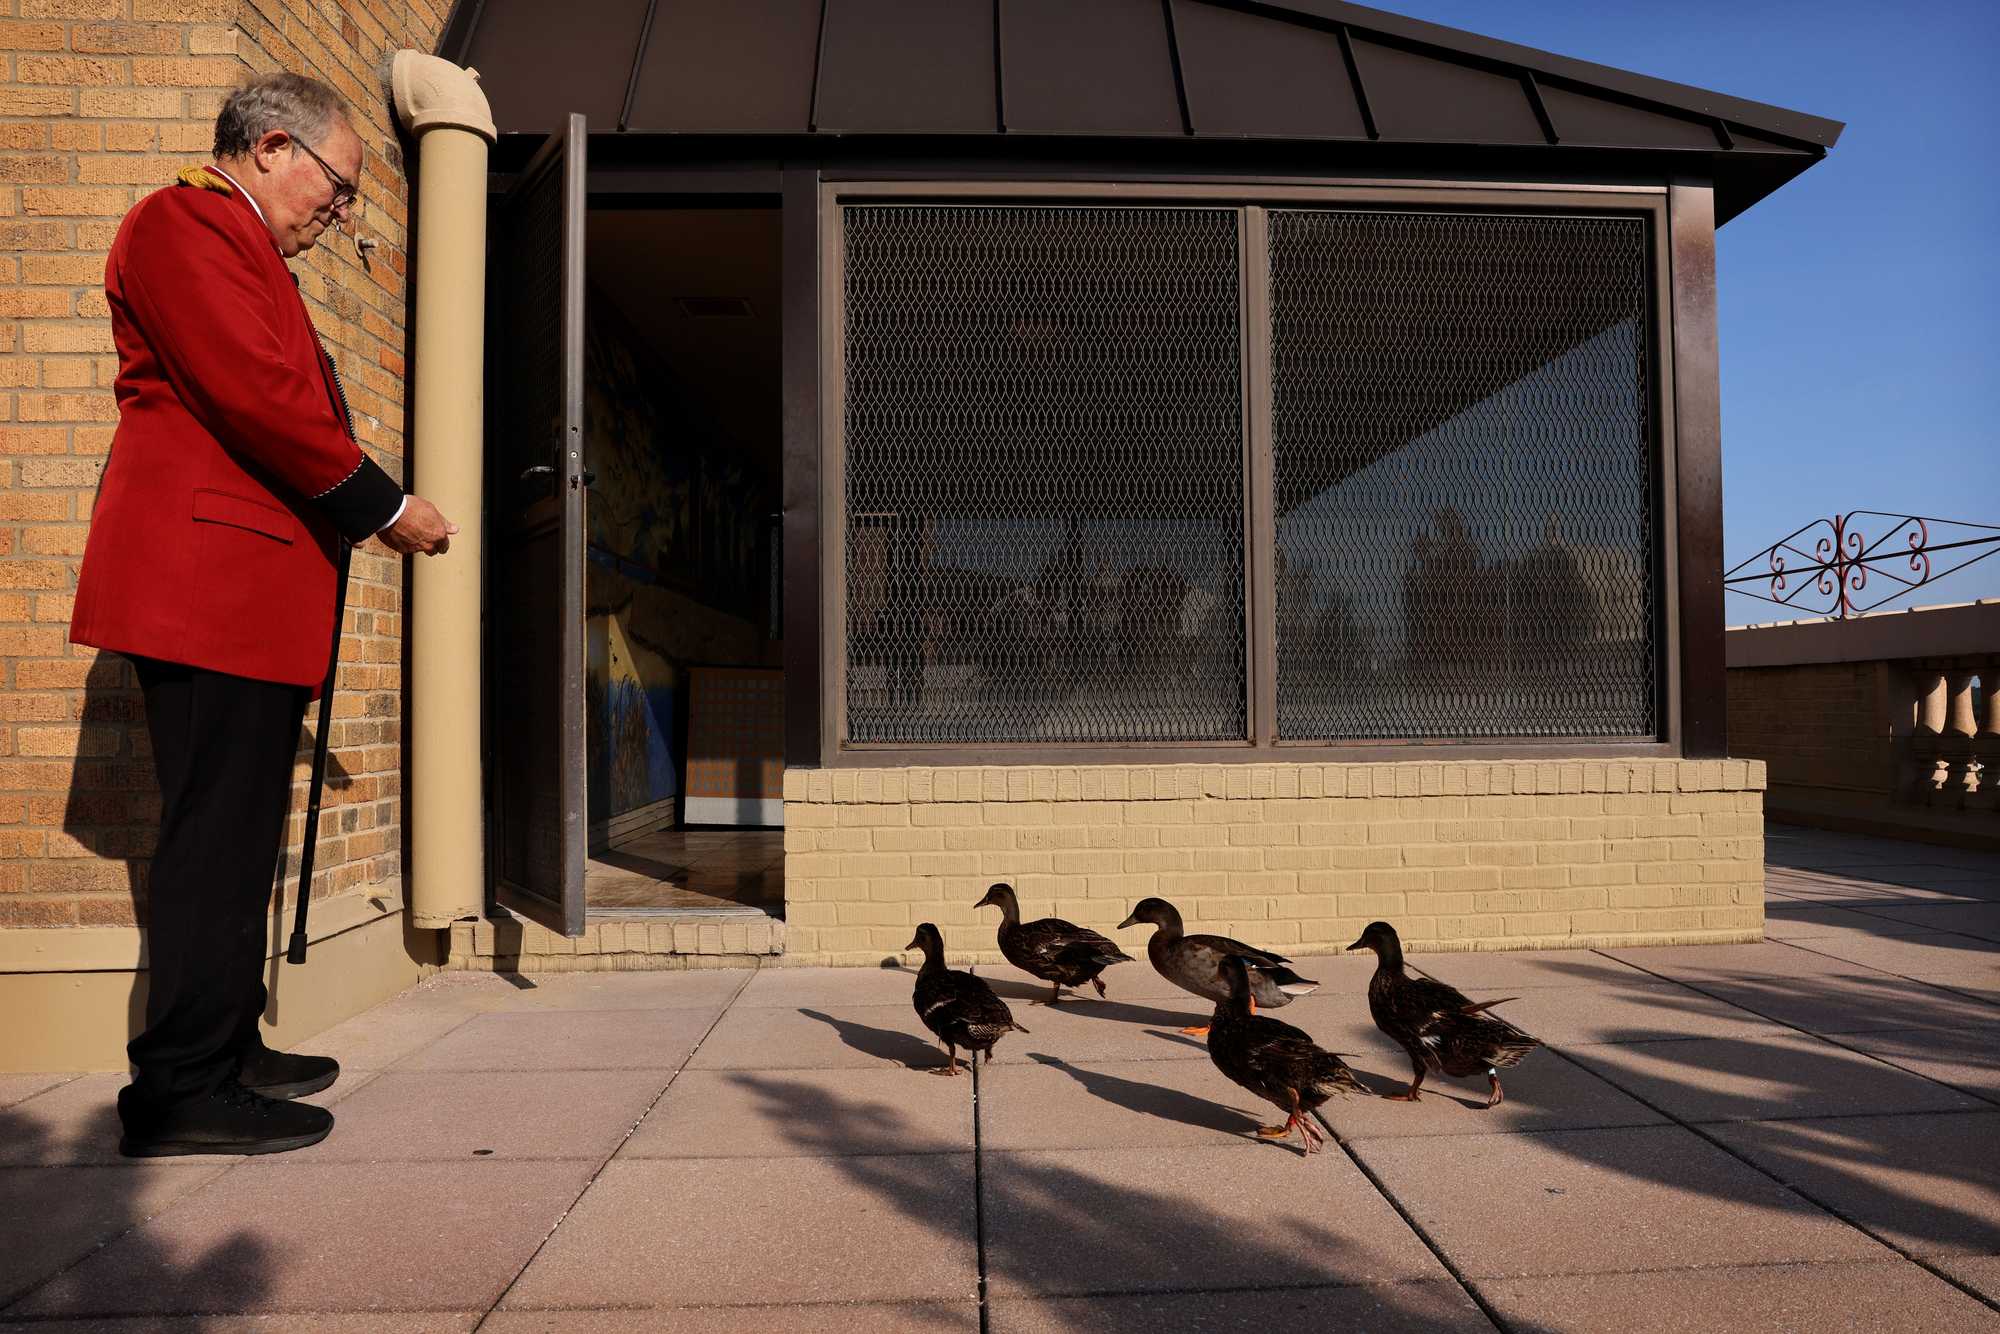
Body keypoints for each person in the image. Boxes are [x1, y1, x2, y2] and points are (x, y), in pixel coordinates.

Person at [70, 72, 456, 1157]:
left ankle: (226, 1044)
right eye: (335, 192)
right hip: (208, 592)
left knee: (240, 837)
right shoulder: (185, 220)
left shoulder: (235, 240)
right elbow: (252, 390)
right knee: (212, 837)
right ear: (274, 146)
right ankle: (181, 1084)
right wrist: (383, 503)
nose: (335, 217)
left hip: (243, 596)